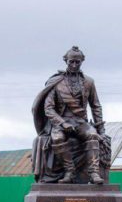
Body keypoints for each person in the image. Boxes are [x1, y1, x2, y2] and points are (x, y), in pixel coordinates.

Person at [32, 46, 106, 184]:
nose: (74, 65)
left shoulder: (89, 82)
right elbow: (48, 108)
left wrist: (101, 129)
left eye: (77, 62)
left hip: (80, 122)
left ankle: (94, 173)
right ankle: (70, 171)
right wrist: (62, 123)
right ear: (66, 61)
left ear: (82, 61)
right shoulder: (56, 82)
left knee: (92, 135)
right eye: (71, 61)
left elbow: (95, 106)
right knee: (57, 137)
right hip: (61, 122)